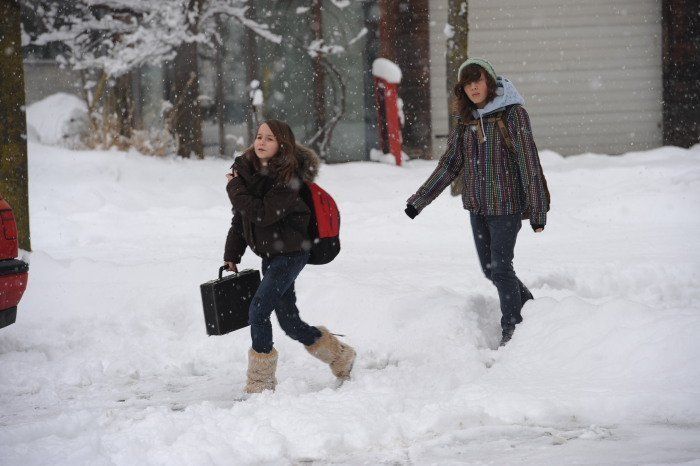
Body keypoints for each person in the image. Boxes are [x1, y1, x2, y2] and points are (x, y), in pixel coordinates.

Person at [404, 57, 550, 347]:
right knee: (490, 269)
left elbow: (528, 162)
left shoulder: (513, 115)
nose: (473, 87)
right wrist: (419, 200)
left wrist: (537, 210)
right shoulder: (466, 120)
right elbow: (450, 164)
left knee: (501, 267)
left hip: (506, 206)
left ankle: (512, 327)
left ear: (489, 82)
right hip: (478, 207)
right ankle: (530, 306)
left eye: (478, 80)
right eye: (467, 83)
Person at [224, 120, 356, 393]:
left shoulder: (287, 178)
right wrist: (232, 254)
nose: (261, 142)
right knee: (289, 322)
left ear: (282, 144)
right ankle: (339, 355)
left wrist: (234, 189)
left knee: (258, 310)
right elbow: (242, 219)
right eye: (259, 136)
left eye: (269, 138)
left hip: (291, 254)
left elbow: (262, 213)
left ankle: (260, 382)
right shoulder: (247, 173)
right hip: (271, 254)